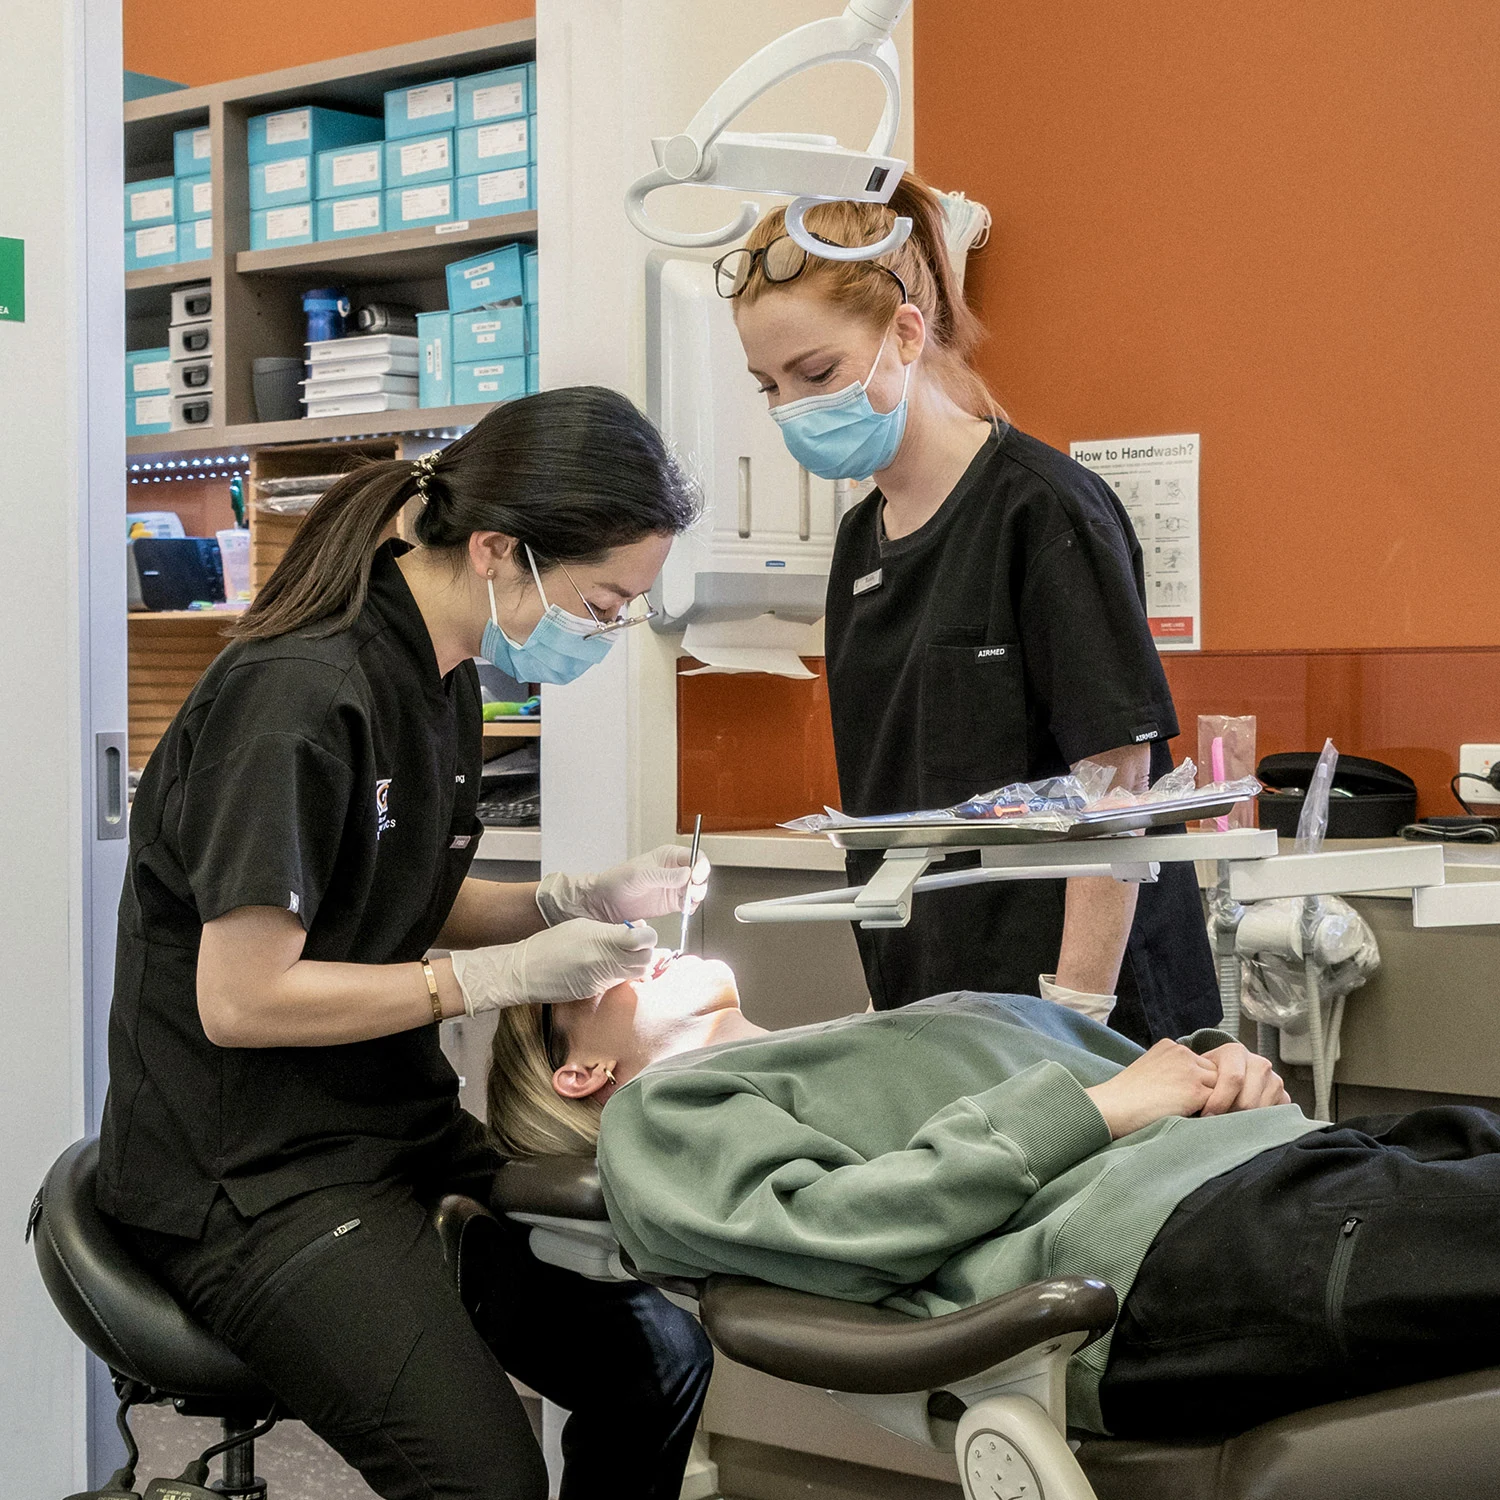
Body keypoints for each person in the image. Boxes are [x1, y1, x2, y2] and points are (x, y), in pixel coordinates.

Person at [96, 390, 714, 1500]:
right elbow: (243, 999)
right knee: (489, 1483)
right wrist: (487, 980)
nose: (610, 628)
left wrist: (569, 898)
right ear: (495, 549)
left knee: (658, 1361)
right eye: (605, 600)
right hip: (249, 1176)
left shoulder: (440, 673)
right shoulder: (297, 701)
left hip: (389, 1128)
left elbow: (394, 895)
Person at [487, 957, 1500, 1440]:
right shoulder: (660, 1117)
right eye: (594, 974)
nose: (633, 945)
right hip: (1172, 1255)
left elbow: (1118, 1080)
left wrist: (1217, 1069)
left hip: (1280, 1170)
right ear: (578, 1073)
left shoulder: (843, 1044)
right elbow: (840, 1230)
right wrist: (1104, 1110)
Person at [716, 173, 1218, 1042]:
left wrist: (1078, 1014)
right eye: (769, 386)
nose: (793, 410)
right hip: (938, 1005)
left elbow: (1116, 784)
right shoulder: (860, 543)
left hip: (1087, 1006)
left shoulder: (1044, 511)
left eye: (817, 373)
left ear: (906, 334)